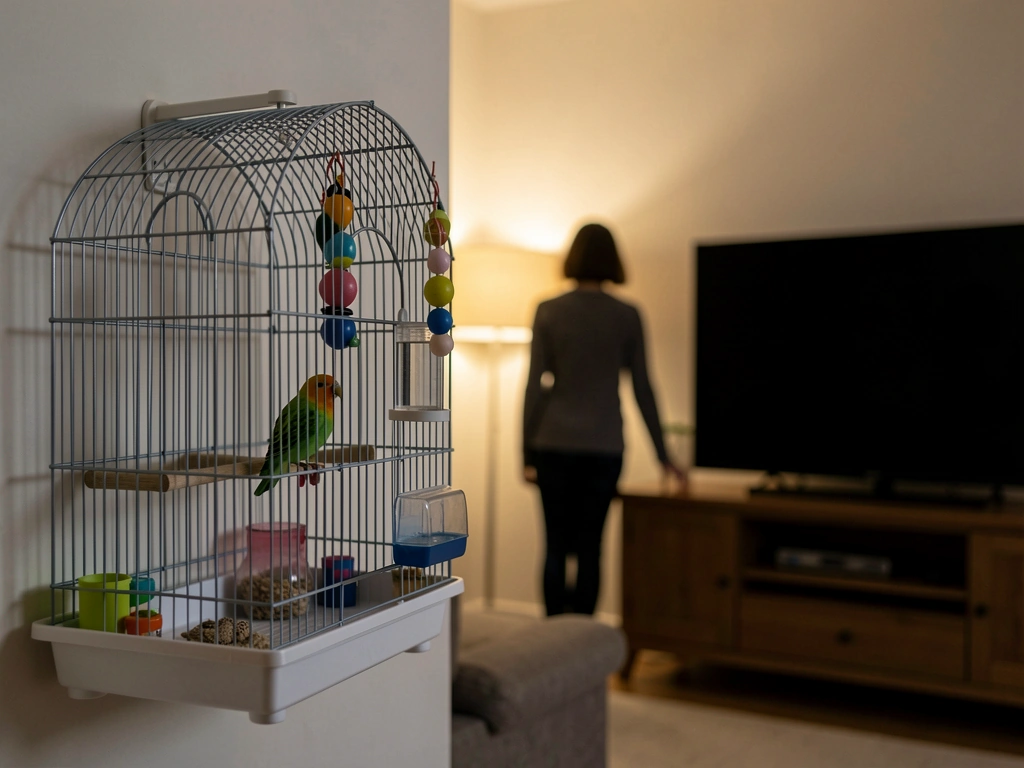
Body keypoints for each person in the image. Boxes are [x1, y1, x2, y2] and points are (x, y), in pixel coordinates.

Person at [523, 222, 685, 617]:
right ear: (614, 260)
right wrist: (664, 456)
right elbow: (644, 389)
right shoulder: (627, 315)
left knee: (556, 545)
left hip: (552, 445)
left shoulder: (548, 310)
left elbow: (533, 387)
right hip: (604, 448)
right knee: (592, 547)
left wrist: (525, 452)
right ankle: (583, 640)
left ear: (572, 258)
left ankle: (552, 635)